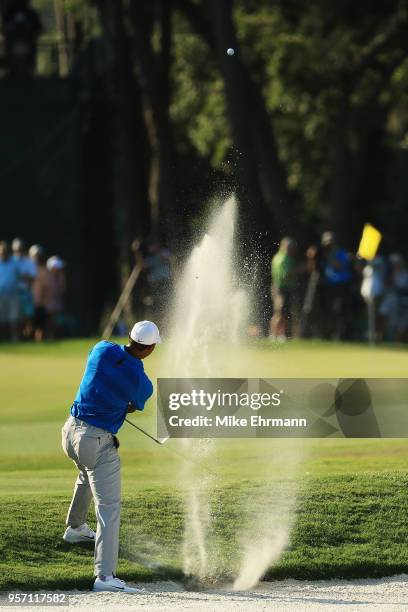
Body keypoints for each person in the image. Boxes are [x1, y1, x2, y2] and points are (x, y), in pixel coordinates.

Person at [61, 320, 160, 593]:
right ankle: (105, 577)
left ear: (130, 336)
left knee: (85, 472)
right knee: (109, 508)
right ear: (150, 349)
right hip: (96, 440)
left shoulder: (101, 349)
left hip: (69, 432)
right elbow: (133, 405)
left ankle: (75, 528)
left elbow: (102, 374)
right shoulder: (142, 382)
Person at [270, 237, 297, 341]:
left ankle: (281, 334)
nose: (292, 250)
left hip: (284, 287)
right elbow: (284, 275)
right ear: (284, 247)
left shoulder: (285, 257)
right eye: (290, 247)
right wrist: (297, 271)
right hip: (280, 288)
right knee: (280, 312)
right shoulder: (282, 258)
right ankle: (275, 335)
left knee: (283, 312)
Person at [12, 237, 37, 338]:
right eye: (17, 249)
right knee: (16, 317)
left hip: (26, 292)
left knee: (28, 316)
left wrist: (21, 276)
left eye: (20, 249)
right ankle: (18, 336)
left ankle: (28, 336)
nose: (18, 251)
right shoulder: (11, 261)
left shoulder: (28, 261)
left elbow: (32, 277)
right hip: (13, 293)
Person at [29, 244, 53, 341]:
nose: (36, 258)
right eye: (35, 256)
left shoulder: (44, 270)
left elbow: (47, 287)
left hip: (41, 302)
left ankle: (40, 341)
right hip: (28, 301)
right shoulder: (28, 269)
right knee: (29, 324)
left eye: (38, 256)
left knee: (41, 324)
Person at [0, 241, 21, 341]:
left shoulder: (14, 263)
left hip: (13, 294)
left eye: (4, 251)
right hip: (1, 295)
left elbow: (20, 276)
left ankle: (14, 338)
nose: (3, 252)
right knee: (2, 319)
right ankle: (3, 338)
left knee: (14, 318)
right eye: (1, 251)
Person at [46, 256, 66, 338]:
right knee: (48, 320)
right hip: (48, 302)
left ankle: (52, 336)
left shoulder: (59, 277)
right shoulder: (47, 277)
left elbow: (62, 289)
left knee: (54, 320)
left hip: (56, 301)